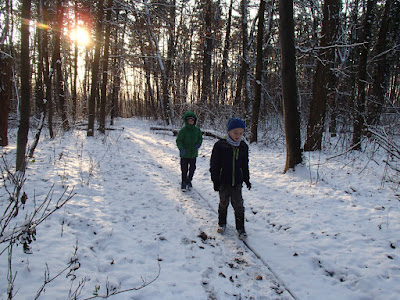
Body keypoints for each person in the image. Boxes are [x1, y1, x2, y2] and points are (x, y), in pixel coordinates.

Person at [210, 117, 251, 240]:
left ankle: (240, 228)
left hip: (237, 182)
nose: (238, 136)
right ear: (229, 131)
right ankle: (222, 223)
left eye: (241, 133)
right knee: (223, 203)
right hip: (223, 181)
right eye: (235, 133)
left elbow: (245, 164)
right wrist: (215, 180)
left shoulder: (243, 146)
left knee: (239, 205)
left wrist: (246, 179)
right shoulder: (220, 146)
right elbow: (214, 165)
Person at [176, 111, 203, 191]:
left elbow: (200, 138)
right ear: (186, 121)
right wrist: (181, 148)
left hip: (193, 154)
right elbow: (179, 141)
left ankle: (189, 180)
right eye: (189, 120)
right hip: (184, 154)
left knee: (192, 169)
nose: (191, 122)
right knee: (184, 169)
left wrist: (198, 144)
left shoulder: (197, 130)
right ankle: (184, 182)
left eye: (192, 120)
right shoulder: (183, 131)